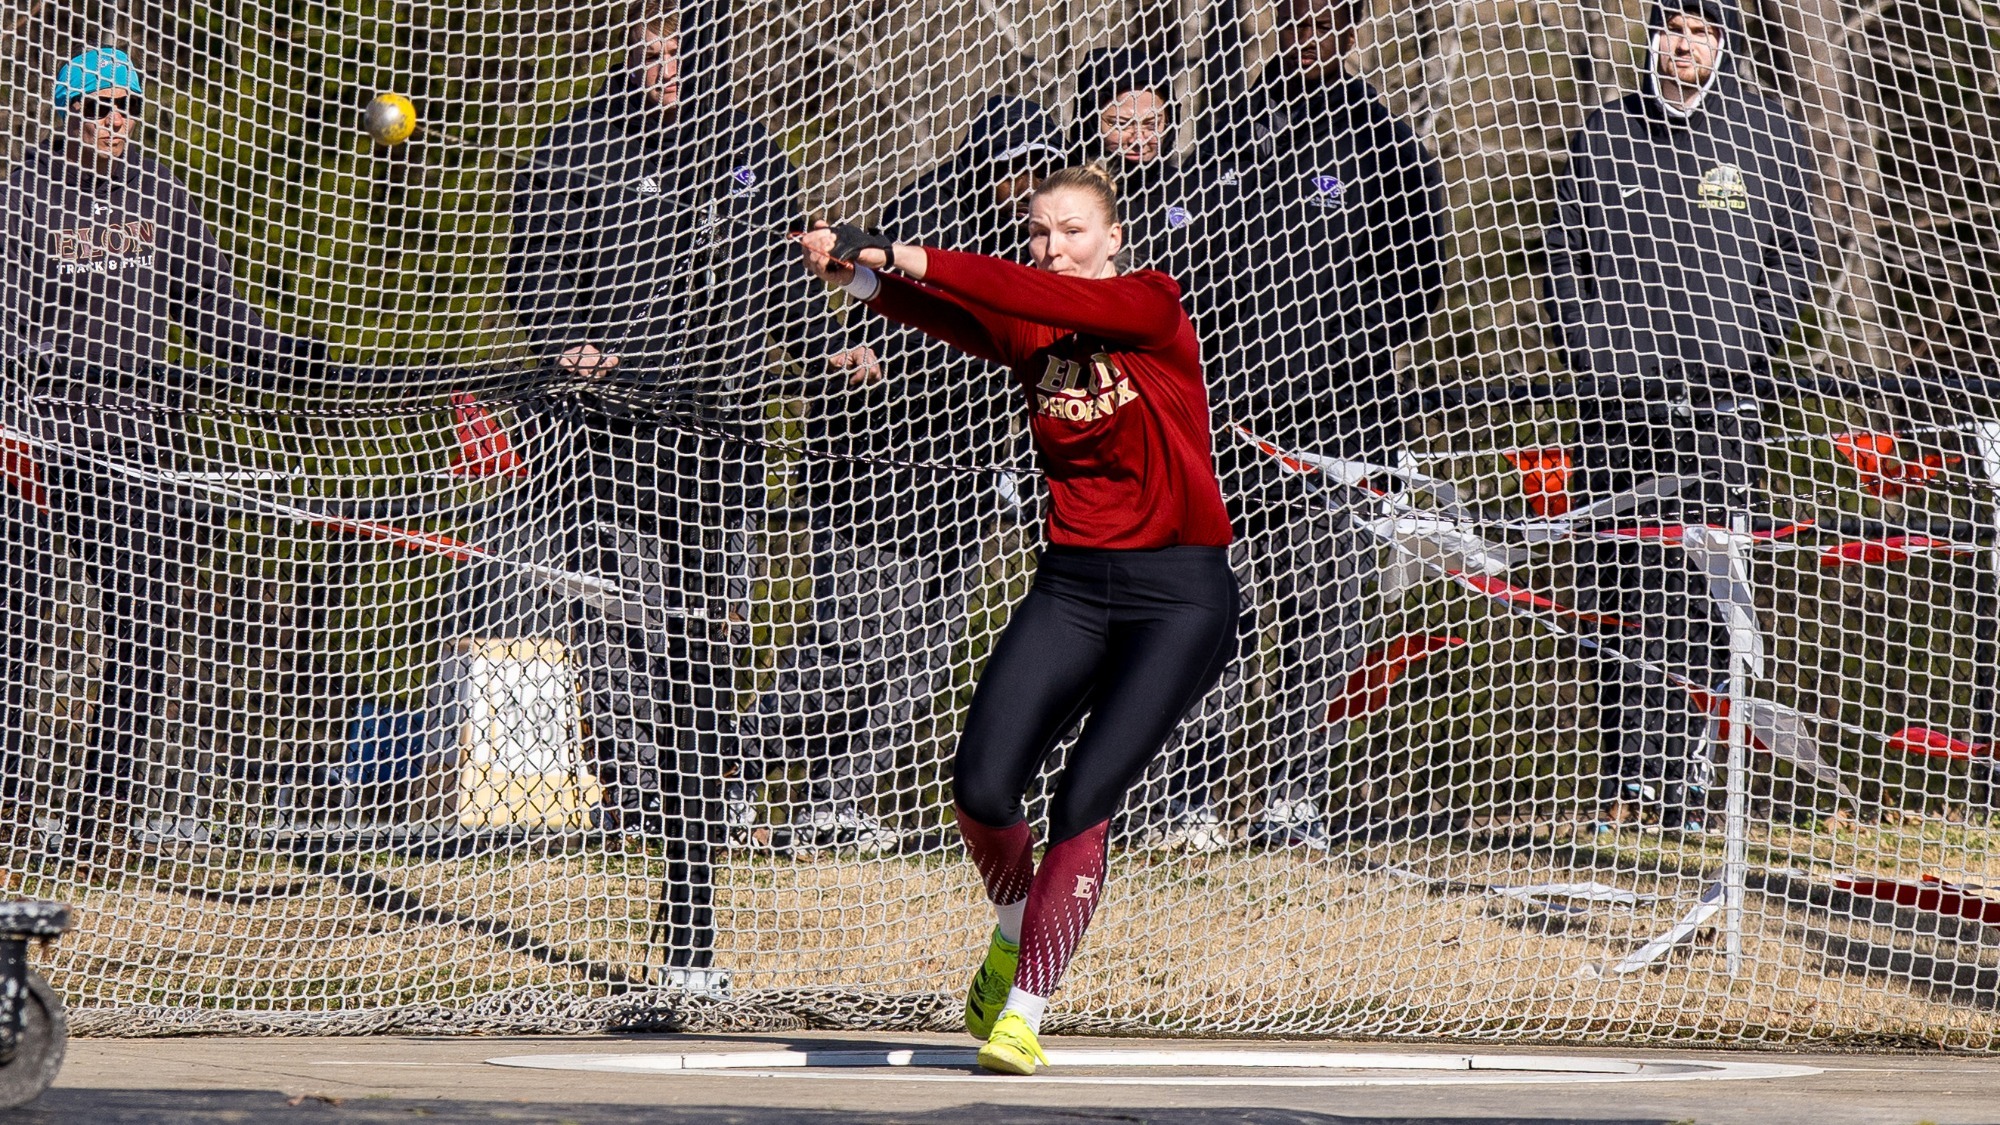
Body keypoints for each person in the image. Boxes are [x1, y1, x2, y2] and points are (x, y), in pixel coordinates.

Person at [797, 164, 1240, 1074]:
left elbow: (1006, 286)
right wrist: (866, 281)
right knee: (981, 789)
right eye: (1039, 232)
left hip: (1179, 597)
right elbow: (970, 317)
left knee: (1085, 798)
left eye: (1073, 230)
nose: (1053, 248)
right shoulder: (1036, 316)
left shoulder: (1149, 302)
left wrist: (898, 249)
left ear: (1112, 239)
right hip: (1074, 586)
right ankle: (1011, 934)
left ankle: (1025, 1012)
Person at [503, 1, 876, 857]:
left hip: (724, 429)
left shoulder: (750, 148)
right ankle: (638, 795)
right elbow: (531, 268)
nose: (660, 69)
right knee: (623, 618)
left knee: (715, 621)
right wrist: (567, 341)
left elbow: (783, 281)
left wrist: (830, 347)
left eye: (676, 54)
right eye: (649, 52)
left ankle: (701, 793)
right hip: (614, 427)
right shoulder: (576, 145)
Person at [0, 48, 310, 861]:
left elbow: (217, 315)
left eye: (126, 105)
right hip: (40, 435)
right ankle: (6, 811)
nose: (114, 120)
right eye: (98, 105)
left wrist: (297, 358)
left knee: (143, 624)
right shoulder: (23, 197)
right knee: (20, 625)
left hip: (136, 439)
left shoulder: (160, 193)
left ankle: (102, 822)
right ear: (66, 112)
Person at [737, 97, 1061, 852]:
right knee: (849, 649)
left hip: (966, 468)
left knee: (925, 655)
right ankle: (728, 779)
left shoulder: (1035, 240)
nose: (1029, 181)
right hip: (877, 462)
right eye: (1019, 166)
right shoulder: (926, 210)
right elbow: (884, 309)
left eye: (1041, 167)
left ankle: (834, 802)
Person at [1543, 0, 1820, 829]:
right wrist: (1600, 358)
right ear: (1653, 38)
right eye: (1672, 29)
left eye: (1701, 31)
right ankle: (1629, 779)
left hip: (1720, 410)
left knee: (1707, 594)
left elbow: (1797, 265)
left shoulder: (1767, 137)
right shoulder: (1603, 134)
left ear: (1722, 43)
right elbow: (1562, 261)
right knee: (1618, 585)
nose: (1684, 44)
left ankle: (1693, 779)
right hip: (1617, 409)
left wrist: (1736, 352)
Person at [1178, 0, 1448, 848]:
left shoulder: (1386, 140)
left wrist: (1335, 347)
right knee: (1210, 615)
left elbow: (1418, 283)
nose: (1311, 29)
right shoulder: (1225, 131)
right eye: (1296, 15)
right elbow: (1188, 271)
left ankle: (1294, 793)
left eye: (1330, 18)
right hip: (1227, 423)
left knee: (1323, 615)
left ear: (1354, 29)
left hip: (1343, 422)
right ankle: (1191, 796)